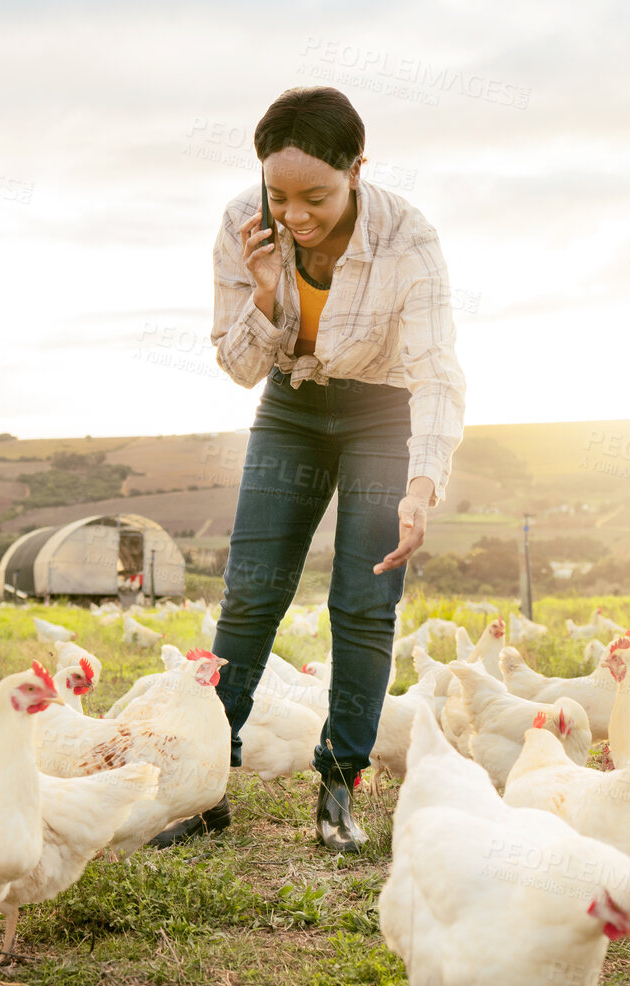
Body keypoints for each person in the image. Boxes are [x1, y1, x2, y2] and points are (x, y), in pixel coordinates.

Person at [152, 86, 466, 853]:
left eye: (315, 196)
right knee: (251, 591)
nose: (293, 215)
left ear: (358, 169)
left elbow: (436, 371)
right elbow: (236, 365)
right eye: (278, 194)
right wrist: (262, 294)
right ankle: (204, 786)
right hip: (293, 404)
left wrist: (420, 487)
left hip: (384, 411)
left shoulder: (408, 238)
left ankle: (338, 786)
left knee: (364, 599)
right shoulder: (241, 224)